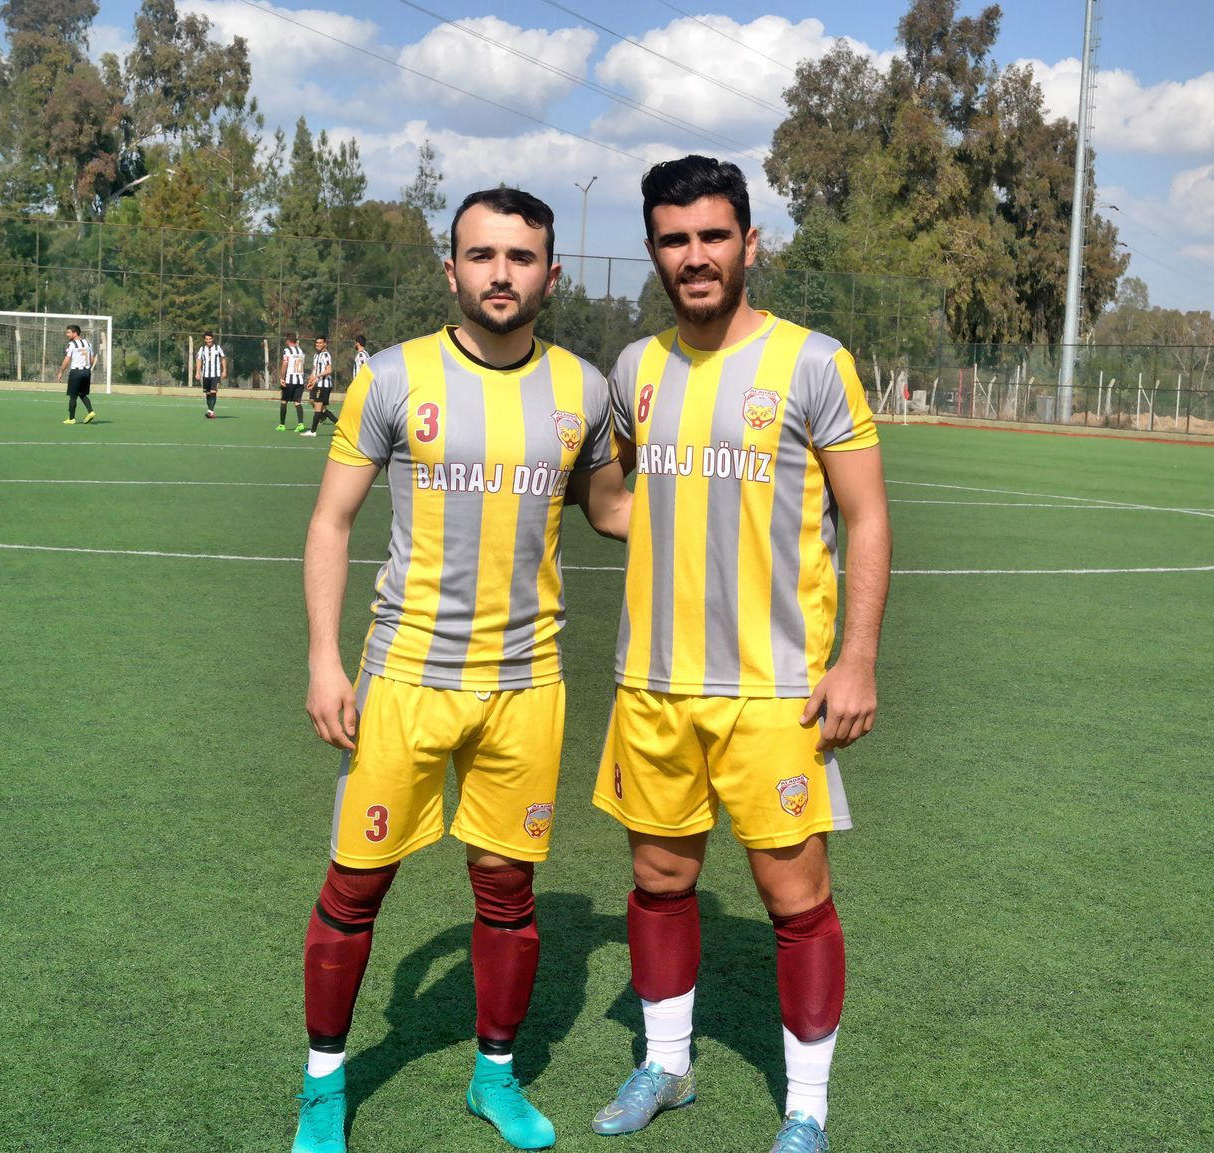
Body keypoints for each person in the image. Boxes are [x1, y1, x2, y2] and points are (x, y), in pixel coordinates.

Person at [293, 187, 631, 1153]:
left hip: (528, 686)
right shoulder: (394, 377)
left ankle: (494, 1076)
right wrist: (325, 660)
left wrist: (721, 522)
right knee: (355, 886)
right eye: (481, 255)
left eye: (521, 257)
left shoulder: (584, 388)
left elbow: (610, 509)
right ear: (452, 268)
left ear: (550, 275)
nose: (500, 272)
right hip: (403, 675)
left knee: (507, 892)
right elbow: (330, 522)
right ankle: (324, 1085)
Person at [589, 156, 892, 1153]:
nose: (694, 255)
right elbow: (624, 496)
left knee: (792, 898)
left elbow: (865, 513)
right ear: (652, 252)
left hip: (774, 691)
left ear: (748, 243)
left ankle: (805, 1106)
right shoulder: (634, 368)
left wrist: (855, 661)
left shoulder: (813, 363)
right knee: (658, 879)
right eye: (673, 239)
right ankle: (665, 1064)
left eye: (712, 235)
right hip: (654, 682)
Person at [57, 324, 97, 424]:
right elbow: (92, 360)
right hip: (87, 372)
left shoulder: (72, 345)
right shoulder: (88, 343)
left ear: (75, 333)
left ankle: (71, 419)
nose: (67, 334)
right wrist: (87, 369)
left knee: (73, 396)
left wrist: (61, 372)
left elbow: (67, 360)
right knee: (82, 393)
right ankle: (90, 411)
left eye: (69, 332)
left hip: (76, 372)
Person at [302, 335, 336, 437]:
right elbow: (315, 369)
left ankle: (313, 432)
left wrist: (317, 376)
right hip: (318, 384)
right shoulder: (316, 355)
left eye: (320, 343)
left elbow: (329, 370)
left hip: (324, 385)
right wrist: (311, 380)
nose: (318, 345)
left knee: (318, 407)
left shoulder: (326, 355)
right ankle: (340, 424)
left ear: (325, 344)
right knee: (320, 408)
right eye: (317, 343)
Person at [279, 333, 307, 432]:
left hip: (290, 380)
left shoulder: (287, 350)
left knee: (284, 401)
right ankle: (300, 424)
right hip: (300, 380)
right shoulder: (301, 351)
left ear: (288, 341)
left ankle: (282, 425)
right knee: (297, 402)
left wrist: (282, 377)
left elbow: (285, 363)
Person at [195, 331, 227, 418]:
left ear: (212, 339)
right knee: (208, 393)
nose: (208, 341)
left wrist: (224, 371)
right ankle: (210, 411)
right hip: (205, 374)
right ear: (205, 340)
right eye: (207, 339)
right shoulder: (202, 349)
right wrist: (197, 372)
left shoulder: (217, 348)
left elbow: (223, 359)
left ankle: (210, 411)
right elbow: (199, 360)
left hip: (215, 374)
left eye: (210, 339)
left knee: (213, 392)